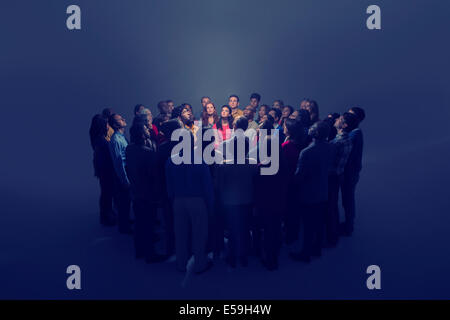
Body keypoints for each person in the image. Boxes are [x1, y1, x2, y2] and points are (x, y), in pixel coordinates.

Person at [165, 131, 214, 274]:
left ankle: (181, 264)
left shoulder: (170, 160)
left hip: (178, 200)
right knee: (199, 233)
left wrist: (172, 198)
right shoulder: (200, 160)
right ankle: (199, 264)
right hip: (197, 201)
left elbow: (169, 184)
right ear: (192, 142)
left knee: (180, 233)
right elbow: (207, 186)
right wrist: (210, 205)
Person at [290, 121, 335, 262]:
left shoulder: (307, 152)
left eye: (312, 128)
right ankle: (317, 249)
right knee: (319, 222)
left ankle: (305, 254)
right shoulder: (331, 147)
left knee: (308, 225)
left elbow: (299, 175)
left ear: (314, 133)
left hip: (308, 193)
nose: (309, 129)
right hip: (322, 190)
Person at [216, 117, 258, 268]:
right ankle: (244, 256)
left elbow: (219, 185)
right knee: (245, 229)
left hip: (229, 202)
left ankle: (232, 257)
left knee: (232, 230)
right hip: (247, 200)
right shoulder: (252, 165)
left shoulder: (223, 166)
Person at [126, 123, 167, 263]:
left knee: (139, 222)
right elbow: (154, 176)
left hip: (136, 191)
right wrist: (158, 194)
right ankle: (150, 254)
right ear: (142, 134)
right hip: (148, 193)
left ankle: (139, 250)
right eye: (145, 129)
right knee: (149, 223)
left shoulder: (129, 148)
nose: (148, 130)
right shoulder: (148, 152)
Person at [326, 112, 357, 247]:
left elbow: (327, 161)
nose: (336, 119)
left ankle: (332, 238)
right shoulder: (347, 139)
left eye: (340, 119)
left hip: (331, 177)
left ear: (344, 125)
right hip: (338, 176)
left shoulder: (337, 142)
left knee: (330, 207)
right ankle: (334, 235)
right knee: (333, 206)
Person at [156, 120, 182, 256]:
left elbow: (158, 171)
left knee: (169, 221)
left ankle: (171, 248)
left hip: (166, 189)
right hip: (183, 190)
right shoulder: (185, 147)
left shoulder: (162, 148)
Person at [340, 107, 365, 236]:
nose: (346, 116)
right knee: (347, 198)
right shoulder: (355, 132)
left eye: (350, 114)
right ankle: (348, 223)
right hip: (350, 171)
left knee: (348, 198)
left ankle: (349, 225)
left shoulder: (355, 133)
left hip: (350, 172)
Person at [282, 119, 307, 246]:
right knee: (293, 209)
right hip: (296, 180)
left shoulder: (287, 146)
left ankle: (289, 235)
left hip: (288, 181)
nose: (283, 127)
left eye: (284, 126)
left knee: (289, 209)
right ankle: (293, 234)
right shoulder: (300, 143)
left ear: (289, 130)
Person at [89, 114, 116, 226]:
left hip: (102, 170)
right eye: (107, 123)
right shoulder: (102, 141)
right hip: (106, 171)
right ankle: (106, 217)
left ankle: (106, 215)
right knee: (106, 193)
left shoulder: (98, 138)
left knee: (106, 193)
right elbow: (105, 158)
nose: (108, 125)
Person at [108, 114, 132, 234]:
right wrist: (125, 180)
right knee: (123, 202)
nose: (124, 119)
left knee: (126, 202)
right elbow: (118, 162)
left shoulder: (121, 137)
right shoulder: (116, 140)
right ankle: (124, 227)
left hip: (126, 172)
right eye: (120, 119)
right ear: (116, 124)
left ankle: (125, 223)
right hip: (123, 174)